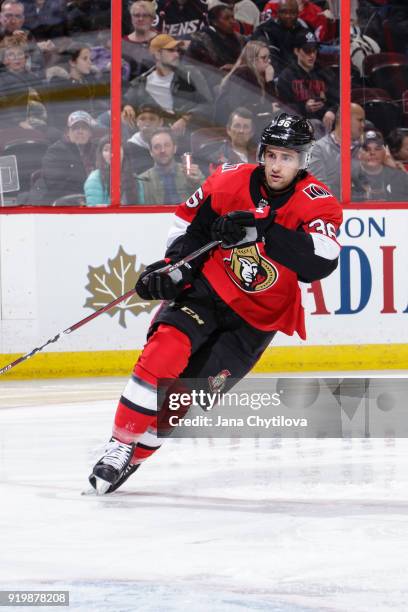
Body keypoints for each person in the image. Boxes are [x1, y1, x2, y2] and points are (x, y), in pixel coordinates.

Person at [88, 112, 342, 494]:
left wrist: (265, 232)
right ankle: (119, 444)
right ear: (262, 153)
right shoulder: (228, 180)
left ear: (303, 161)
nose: (276, 165)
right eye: (271, 155)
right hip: (208, 291)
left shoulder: (318, 203)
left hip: (256, 321)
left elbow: (320, 263)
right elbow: (187, 227)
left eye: (287, 158)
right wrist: (176, 268)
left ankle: (134, 458)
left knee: (183, 400)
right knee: (163, 353)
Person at [123, 34, 213, 140]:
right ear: (157, 54)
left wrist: (186, 119)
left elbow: (208, 105)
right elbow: (125, 100)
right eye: (171, 51)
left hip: (188, 135)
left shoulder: (191, 74)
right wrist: (126, 107)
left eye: (177, 51)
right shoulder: (142, 81)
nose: (176, 55)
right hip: (153, 136)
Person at [214, 40, 286, 131]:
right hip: (231, 124)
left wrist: (269, 81)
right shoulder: (243, 74)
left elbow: (273, 104)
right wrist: (268, 108)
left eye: (268, 57)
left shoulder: (260, 75)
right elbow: (238, 106)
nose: (268, 61)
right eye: (264, 58)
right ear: (252, 59)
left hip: (248, 120)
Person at [277, 30, 338, 132]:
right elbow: (283, 108)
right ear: (296, 51)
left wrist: (332, 111)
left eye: (314, 50)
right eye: (307, 51)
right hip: (300, 125)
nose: (312, 55)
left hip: (328, 121)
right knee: (315, 124)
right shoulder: (287, 76)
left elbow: (338, 99)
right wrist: (304, 107)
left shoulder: (325, 72)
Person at [38, 110, 97, 204]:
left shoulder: (97, 150)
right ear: (68, 132)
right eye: (75, 128)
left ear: (90, 133)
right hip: (65, 204)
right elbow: (56, 186)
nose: (80, 131)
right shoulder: (55, 152)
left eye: (84, 128)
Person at [309, 103, 365, 199]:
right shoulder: (318, 149)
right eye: (360, 120)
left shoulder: (364, 149)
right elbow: (318, 191)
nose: (363, 125)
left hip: (364, 210)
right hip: (331, 209)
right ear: (344, 119)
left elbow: (373, 187)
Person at [137, 127, 205, 204]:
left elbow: (209, 201)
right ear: (151, 152)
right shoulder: (142, 181)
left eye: (167, 145)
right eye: (157, 147)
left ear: (175, 148)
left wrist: (196, 183)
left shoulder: (193, 173)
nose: (162, 150)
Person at [251, 0, 312, 74]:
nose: (288, 16)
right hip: (271, 75)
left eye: (292, 13)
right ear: (277, 13)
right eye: (284, 12)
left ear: (298, 14)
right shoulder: (265, 31)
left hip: (298, 76)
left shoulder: (303, 30)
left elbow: (311, 56)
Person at [353, 129, 408, 202]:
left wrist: (399, 170)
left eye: (377, 148)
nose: (372, 152)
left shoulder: (396, 176)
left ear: (385, 152)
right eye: (366, 149)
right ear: (358, 154)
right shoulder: (349, 177)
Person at [84, 135, 139, 206]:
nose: (111, 153)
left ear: (124, 152)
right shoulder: (95, 178)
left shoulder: (134, 178)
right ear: (101, 155)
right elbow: (94, 210)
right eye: (106, 150)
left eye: (116, 147)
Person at [122, 0, 158, 80]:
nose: (140, 19)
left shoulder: (163, 40)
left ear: (152, 19)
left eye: (145, 15)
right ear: (131, 18)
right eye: (136, 15)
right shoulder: (122, 43)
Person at [125, 103, 164, 174]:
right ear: (137, 121)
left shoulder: (168, 145)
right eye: (142, 119)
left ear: (160, 122)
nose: (147, 123)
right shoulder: (128, 148)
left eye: (152, 119)